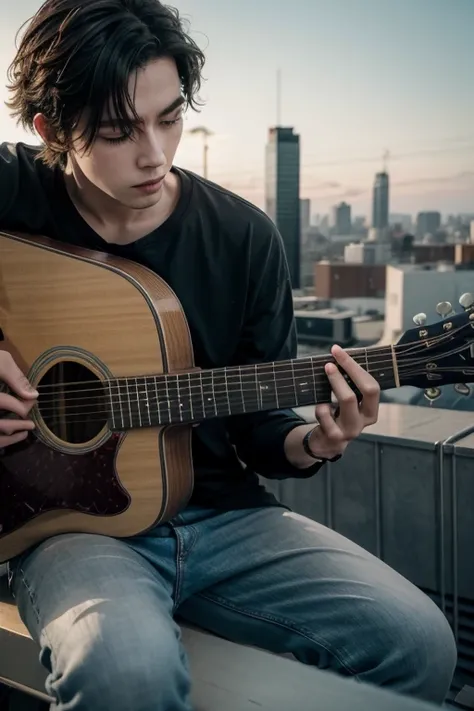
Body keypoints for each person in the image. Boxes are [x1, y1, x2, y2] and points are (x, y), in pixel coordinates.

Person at [0, 1, 456, 709]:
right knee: (125, 673)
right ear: (52, 129)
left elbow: (264, 431)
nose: (154, 152)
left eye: (170, 117)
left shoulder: (244, 238)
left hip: (223, 517)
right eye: (120, 131)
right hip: (66, 528)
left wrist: (313, 439)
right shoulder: (13, 188)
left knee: (420, 644)